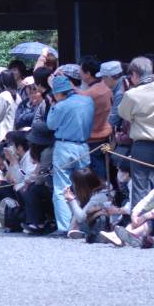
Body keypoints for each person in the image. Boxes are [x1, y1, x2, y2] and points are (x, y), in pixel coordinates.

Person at [118, 56, 154, 207]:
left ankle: (138, 224)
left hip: (142, 146)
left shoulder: (131, 94)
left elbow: (124, 114)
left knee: (140, 188)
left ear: (135, 75)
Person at [45, 74, 94, 233]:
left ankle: (65, 227)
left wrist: (53, 106)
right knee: (84, 186)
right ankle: (85, 224)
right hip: (84, 146)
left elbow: (51, 125)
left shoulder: (60, 106)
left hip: (64, 146)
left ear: (59, 93)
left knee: (61, 188)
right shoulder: (87, 101)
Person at [79, 57, 113, 180]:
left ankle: (103, 194)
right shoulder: (106, 86)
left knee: (98, 174)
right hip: (107, 137)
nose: (79, 74)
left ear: (88, 73)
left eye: (81, 71)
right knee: (106, 169)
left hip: (94, 140)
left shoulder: (91, 93)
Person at [64, 167, 111, 242]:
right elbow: (77, 214)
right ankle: (82, 231)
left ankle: (88, 233)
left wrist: (71, 200)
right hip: (92, 222)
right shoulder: (91, 192)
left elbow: (81, 218)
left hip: (105, 224)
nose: (73, 185)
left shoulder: (99, 196)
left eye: (74, 183)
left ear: (81, 185)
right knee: (79, 205)